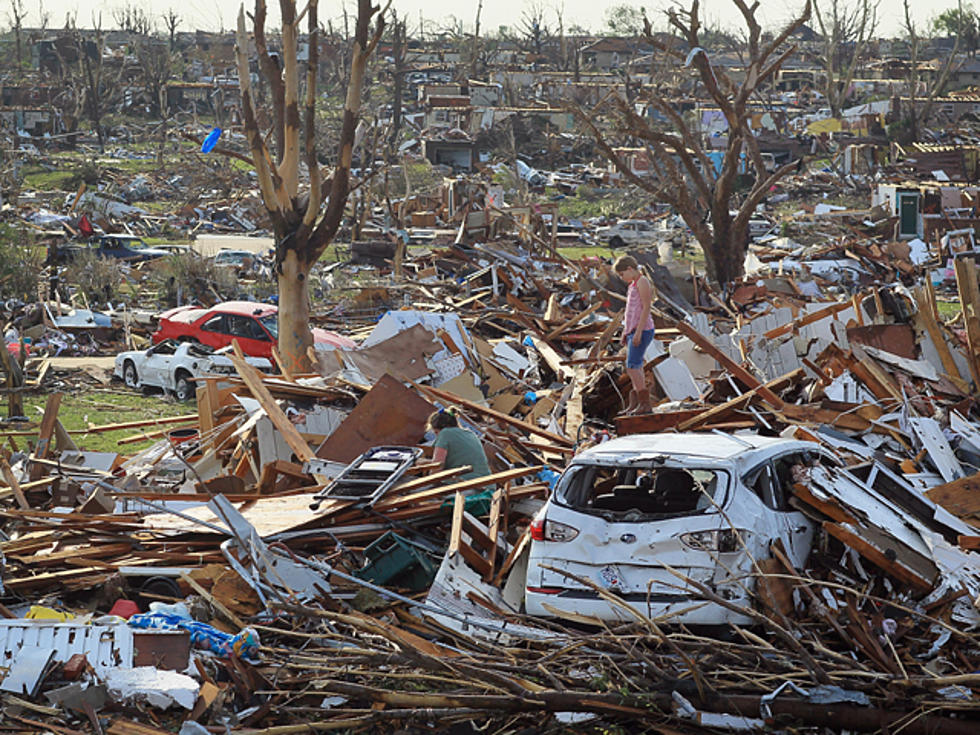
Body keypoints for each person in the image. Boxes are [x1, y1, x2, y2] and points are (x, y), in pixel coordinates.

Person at [614, 255, 655, 415]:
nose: (621, 278)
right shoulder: (633, 284)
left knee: (633, 366)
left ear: (630, 269)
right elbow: (631, 311)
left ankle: (645, 404)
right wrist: (626, 331)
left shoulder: (643, 282)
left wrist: (638, 332)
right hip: (633, 330)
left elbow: (646, 308)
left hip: (643, 330)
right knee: (632, 366)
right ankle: (636, 403)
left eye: (621, 274)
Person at [427, 409, 491, 482]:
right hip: (486, 483)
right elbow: (461, 459)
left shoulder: (445, 433)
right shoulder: (469, 433)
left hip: (466, 485)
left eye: (436, 432)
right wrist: (427, 463)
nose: (436, 436)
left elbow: (436, 470)